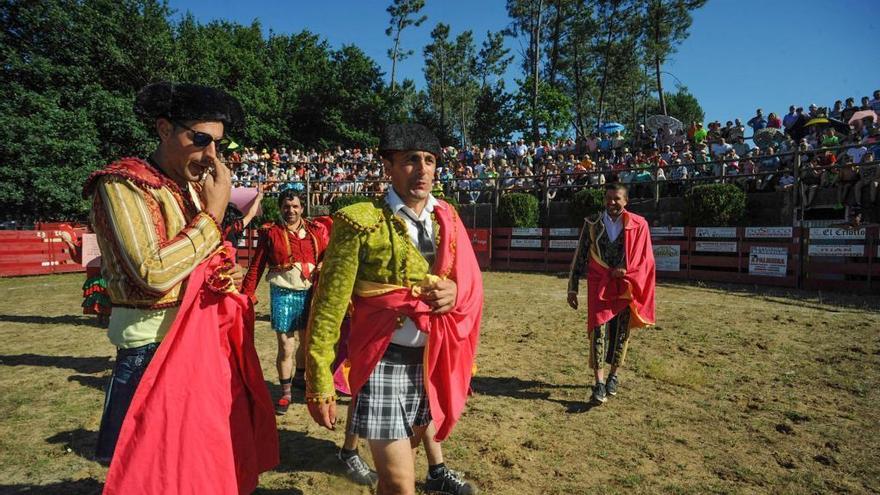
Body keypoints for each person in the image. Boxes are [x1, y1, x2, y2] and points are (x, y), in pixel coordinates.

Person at [85, 82, 277, 493]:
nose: (211, 155)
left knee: (197, 469)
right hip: (152, 349)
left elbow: (198, 261)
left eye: (218, 144)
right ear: (163, 129)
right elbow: (153, 273)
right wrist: (213, 213)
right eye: (200, 139)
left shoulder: (190, 187)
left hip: (201, 347)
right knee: (156, 476)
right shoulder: (122, 184)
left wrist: (223, 275)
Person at [304, 123, 483, 495]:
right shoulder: (359, 222)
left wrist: (454, 293)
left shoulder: (447, 217)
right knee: (402, 483)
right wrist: (319, 380)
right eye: (410, 160)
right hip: (381, 360)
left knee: (390, 481)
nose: (422, 169)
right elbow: (328, 306)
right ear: (388, 166)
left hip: (431, 360)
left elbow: (470, 285)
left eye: (429, 161)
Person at [241, 188, 329, 415]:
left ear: (302, 208)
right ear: (280, 208)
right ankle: (286, 392)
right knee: (285, 345)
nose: (291, 210)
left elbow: (329, 255)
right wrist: (246, 293)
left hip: (310, 293)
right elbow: (257, 265)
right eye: (286, 207)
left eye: (295, 206)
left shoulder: (316, 231)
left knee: (307, 342)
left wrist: (322, 265)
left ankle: (299, 376)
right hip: (283, 292)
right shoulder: (271, 233)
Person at [567, 183, 656, 404]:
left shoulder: (639, 224)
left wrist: (627, 270)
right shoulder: (592, 222)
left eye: (617, 199)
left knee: (621, 331)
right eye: (608, 198)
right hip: (599, 282)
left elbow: (646, 259)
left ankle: (613, 376)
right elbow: (581, 254)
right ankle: (598, 382)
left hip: (625, 283)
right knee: (598, 330)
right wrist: (572, 286)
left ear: (626, 201)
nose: (612, 203)